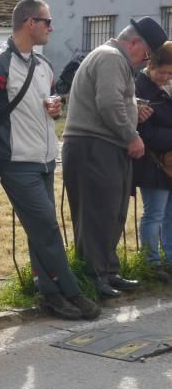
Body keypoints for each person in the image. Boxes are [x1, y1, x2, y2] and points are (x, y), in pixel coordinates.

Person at [0, 0, 101, 320]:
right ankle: (72, 291)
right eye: (47, 22)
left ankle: (49, 294)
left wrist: (55, 109)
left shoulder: (44, 65)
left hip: (46, 160)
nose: (52, 27)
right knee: (49, 228)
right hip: (16, 162)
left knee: (40, 230)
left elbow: (47, 106)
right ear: (29, 23)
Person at [62, 16, 168, 298]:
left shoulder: (114, 59)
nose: (143, 61)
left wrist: (134, 108)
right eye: (145, 54)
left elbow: (115, 99)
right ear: (133, 43)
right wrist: (131, 135)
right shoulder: (111, 58)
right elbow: (108, 102)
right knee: (98, 213)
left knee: (111, 212)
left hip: (103, 145)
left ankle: (108, 271)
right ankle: (95, 276)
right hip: (94, 145)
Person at [132, 41, 172, 281]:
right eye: (162, 71)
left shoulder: (167, 87)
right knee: (155, 213)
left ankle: (168, 259)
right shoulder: (140, 88)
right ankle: (151, 263)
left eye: (170, 72)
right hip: (151, 161)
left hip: (167, 159)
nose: (166, 77)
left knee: (169, 214)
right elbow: (143, 132)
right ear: (150, 65)